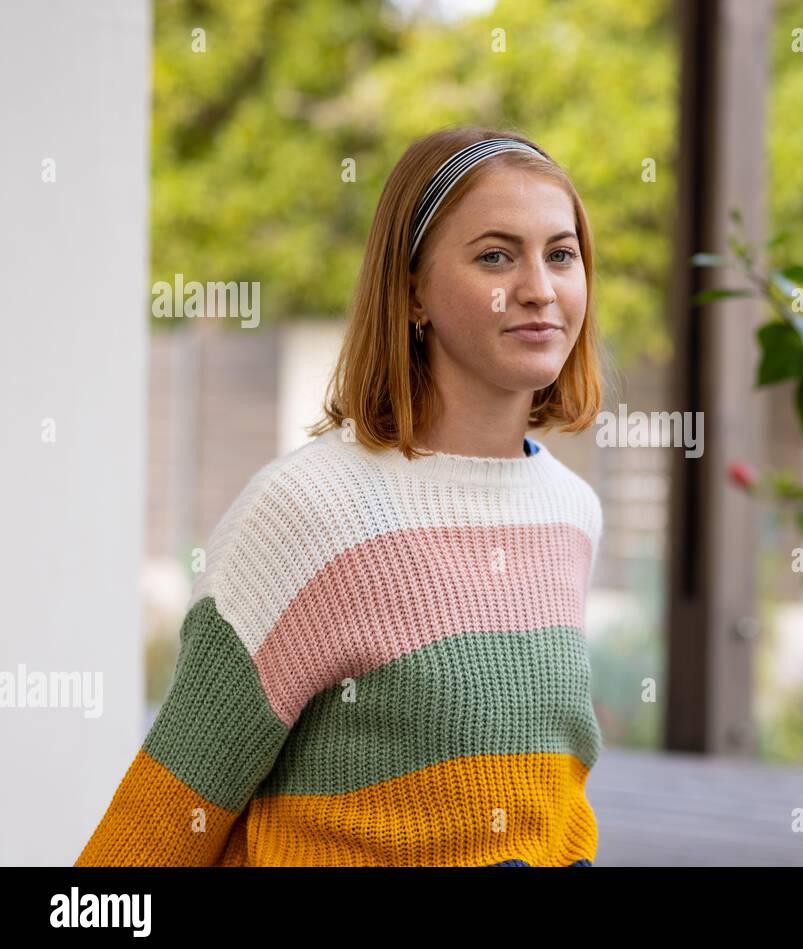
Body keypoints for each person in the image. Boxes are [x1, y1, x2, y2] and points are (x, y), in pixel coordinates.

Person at [76, 127, 608, 866]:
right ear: (413, 289)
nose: (539, 289)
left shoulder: (571, 510)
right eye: (495, 255)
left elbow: (548, 803)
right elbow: (166, 817)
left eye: (561, 254)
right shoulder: (310, 508)